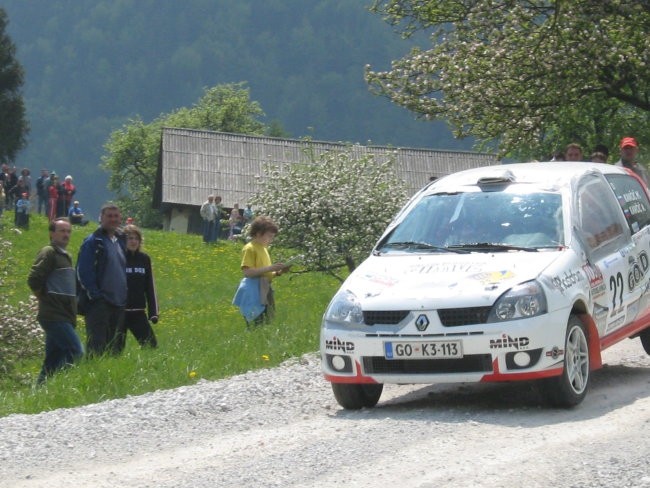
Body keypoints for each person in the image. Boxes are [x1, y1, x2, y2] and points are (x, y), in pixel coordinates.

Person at [27, 218, 83, 384]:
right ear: (52, 233)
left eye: (68, 231)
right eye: (62, 231)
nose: (66, 235)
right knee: (75, 351)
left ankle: (41, 391)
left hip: (65, 315)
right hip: (54, 315)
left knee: (52, 358)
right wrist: (43, 297)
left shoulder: (65, 256)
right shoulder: (49, 252)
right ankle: (60, 385)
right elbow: (33, 279)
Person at [76, 202, 127, 356]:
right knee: (96, 347)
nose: (113, 219)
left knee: (114, 348)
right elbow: (82, 271)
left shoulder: (120, 241)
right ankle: (92, 376)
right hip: (99, 303)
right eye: (109, 216)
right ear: (101, 218)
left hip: (118, 303)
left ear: (120, 219)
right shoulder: (93, 242)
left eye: (116, 216)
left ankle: (110, 378)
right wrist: (96, 296)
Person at [232, 216, 289, 326]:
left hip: (265, 287)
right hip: (254, 289)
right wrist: (271, 268)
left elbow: (265, 272)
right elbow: (247, 272)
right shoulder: (250, 248)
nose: (271, 239)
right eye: (269, 236)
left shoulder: (263, 248)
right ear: (258, 233)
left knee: (267, 321)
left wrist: (278, 272)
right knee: (256, 322)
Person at [114, 224, 159, 351]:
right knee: (115, 351)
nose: (133, 241)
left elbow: (150, 286)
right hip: (119, 312)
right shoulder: (117, 258)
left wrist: (153, 312)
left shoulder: (144, 259)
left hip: (138, 312)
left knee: (151, 347)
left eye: (136, 238)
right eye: (129, 238)